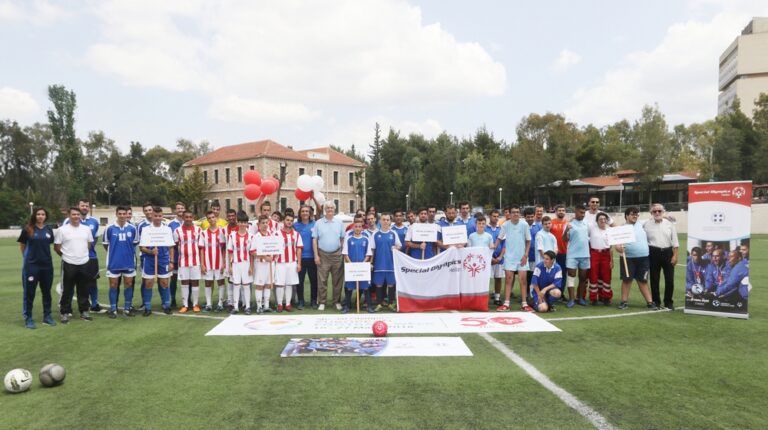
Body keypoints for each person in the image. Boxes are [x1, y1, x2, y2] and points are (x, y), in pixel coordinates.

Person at [54, 207, 95, 323]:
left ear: (80, 216)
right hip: (68, 263)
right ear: (69, 215)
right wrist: (67, 256)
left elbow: (89, 244)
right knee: (67, 290)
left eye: (78, 214)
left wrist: (81, 255)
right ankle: (65, 312)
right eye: (73, 214)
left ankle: (84, 311)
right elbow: (57, 247)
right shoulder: (62, 230)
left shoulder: (86, 229)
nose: (76, 216)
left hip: (84, 263)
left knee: (83, 289)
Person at [19, 207, 56, 328]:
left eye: (43, 214)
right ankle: (28, 318)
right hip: (31, 267)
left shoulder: (49, 230)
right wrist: (28, 260)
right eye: (38, 214)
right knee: (29, 293)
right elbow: (23, 246)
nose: (40, 216)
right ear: (35, 215)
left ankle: (47, 316)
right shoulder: (28, 229)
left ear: (46, 216)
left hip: (47, 266)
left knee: (47, 292)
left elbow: (48, 245)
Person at [614, 207, 657, 310]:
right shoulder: (622, 228)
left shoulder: (642, 224)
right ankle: (624, 302)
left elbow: (655, 217)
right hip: (628, 258)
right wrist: (618, 248)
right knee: (627, 280)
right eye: (633, 214)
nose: (635, 216)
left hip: (643, 258)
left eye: (637, 214)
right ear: (627, 216)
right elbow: (617, 244)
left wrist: (665, 215)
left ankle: (650, 303)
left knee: (643, 280)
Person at [63, 199, 102, 312]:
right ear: (78, 206)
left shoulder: (94, 221)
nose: (84, 207)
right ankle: (67, 307)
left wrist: (87, 249)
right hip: (73, 258)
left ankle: (94, 304)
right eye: (82, 205)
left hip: (91, 257)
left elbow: (94, 237)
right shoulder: (67, 221)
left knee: (93, 281)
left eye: (86, 206)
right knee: (70, 283)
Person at [102, 206, 139, 318]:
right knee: (113, 285)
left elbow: (134, 243)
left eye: (124, 214)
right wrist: (114, 253)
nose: (122, 216)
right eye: (120, 214)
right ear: (116, 214)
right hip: (114, 262)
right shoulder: (109, 228)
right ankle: (113, 309)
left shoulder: (132, 228)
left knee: (128, 284)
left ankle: (127, 309)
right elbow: (105, 244)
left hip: (128, 262)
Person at [495, 205, 532, 312]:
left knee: (523, 280)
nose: (516, 214)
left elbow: (528, 241)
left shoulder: (524, 225)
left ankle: (524, 304)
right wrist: (493, 247)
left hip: (522, 258)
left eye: (517, 212)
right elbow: (499, 238)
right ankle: (506, 304)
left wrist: (525, 255)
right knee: (508, 280)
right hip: (509, 258)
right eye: (513, 212)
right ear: (509, 214)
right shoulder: (505, 225)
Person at [139, 207, 175, 315]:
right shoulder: (146, 229)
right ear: (152, 216)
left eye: (160, 216)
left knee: (164, 283)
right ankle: (147, 307)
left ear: (162, 216)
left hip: (164, 259)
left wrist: (171, 261)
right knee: (149, 283)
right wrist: (151, 251)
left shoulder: (167, 229)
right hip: (149, 259)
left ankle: (166, 305)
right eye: (156, 216)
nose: (158, 218)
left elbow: (171, 247)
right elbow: (142, 247)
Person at [644, 203, 679, 310]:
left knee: (669, 279)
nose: (657, 213)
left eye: (659, 211)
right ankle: (656, 301)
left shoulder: (670, 224)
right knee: (654, 279)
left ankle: (668, 302)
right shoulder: (646, 224)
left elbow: (675, 241)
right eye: (655, 211)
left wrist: (675, 256)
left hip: (668, 252)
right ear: (651, 213)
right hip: (653, 252)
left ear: (663, 212)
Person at [312, 201, 345, 312]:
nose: (330, 209)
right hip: (323, 255)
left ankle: (336, 302)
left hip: (337, 255)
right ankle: (322, 302)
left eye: (332, 207)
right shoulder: (318, 223)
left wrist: (342, 252)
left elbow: (342, 239)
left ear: (334, 209)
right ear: (325, 209)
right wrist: (316, 255)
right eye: (328, 207)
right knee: (322, 280)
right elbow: (315, 240)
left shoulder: (339, 223)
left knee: (337, 281)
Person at [371, 213, 402, 312]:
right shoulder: (375, 234)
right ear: (380, 221)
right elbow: (372, 250)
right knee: (378, 285)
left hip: (391, 265)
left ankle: (390, 304)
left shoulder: (393, 233)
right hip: (379, 264)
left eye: (387, 220)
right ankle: (379, 303)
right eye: (383, 219)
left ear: (390, 221)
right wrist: (371, 263)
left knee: (391, 284)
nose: (385, 222)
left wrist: (396, 247)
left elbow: (399, 246)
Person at [342, 217, 373, 313]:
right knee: (349, 287)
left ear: (362, 228)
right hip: (351, 267)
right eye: (356, 226)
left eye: (360, 227)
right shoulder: (349, 239)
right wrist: (350, 264)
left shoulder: (366, 239)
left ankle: (369, 306)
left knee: (365, 287)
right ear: (353, 227)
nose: (358, 228)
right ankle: (347, 306)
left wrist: (363, 264)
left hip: (362, 267)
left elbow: (368, 254)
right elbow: (345, 253)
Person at [175, 210, 203, 313]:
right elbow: (175, 245)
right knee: (184, 282)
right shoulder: (177, 231)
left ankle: (195, 304)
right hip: (182, 262)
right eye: (186, 217)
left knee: (195, 282)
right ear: (183, 218)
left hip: (195, 261)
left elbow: (201, 247)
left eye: (190, 217)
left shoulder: (198, 230)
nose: (188, 219)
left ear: (193, 217)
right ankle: (185, 305)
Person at [274, 212, 303, 312]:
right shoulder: (276, 233)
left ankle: (288, 304)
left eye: (291, 221)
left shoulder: (296, 234)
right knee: (280, 284)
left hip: (292, 262)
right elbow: (272, 248)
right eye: (287, 220)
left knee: (290, 284)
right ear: (283, 221)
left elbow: (299, 249)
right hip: (280, 262)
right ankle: (279, 304)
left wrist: (299, 263)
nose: (289, 222)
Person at [199, 210, 227, 312]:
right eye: (209, 218)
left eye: (213, 217)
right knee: (208, 283)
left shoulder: (222, 231)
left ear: (216, 218)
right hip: (207, 262)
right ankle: (209, 304)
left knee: (220, 282)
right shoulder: (203, 233)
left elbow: (224, 249)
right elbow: (201, 249)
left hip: (219, 262)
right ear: (207, 220)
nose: (211, 219)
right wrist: (202, 264)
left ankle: (220, 303)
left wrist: (224, 263)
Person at [563, 206, 590, 307]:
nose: (582, 215)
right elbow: (564, 239)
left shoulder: (586, 224)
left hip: (585, 255)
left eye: (584, 213)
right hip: (572, 255)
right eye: (581, 212)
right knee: (571, 276)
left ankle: (581, 298)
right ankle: (571, 299)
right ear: (576, 212)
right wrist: (566, 230)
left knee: (583, 277)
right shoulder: (569, 224)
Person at [227, 211, 254, 314]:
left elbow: (252, 253)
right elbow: (230, 252)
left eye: (244, 222)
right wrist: (230, 265)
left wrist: (251, 267)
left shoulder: (251, 236)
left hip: (246, 264)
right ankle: (236, 307)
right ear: (237, 222)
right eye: (240, 222)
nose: (242, 224)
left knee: (246, 285)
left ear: (247, 223)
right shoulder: (232, 236)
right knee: (236, 285)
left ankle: (247, 306)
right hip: (236, 264)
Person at [253, 215, 277, 313]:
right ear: (258, 224)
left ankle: (266, 305)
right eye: (263, 223)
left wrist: (272, 257)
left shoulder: (272, 235)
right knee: (259, 285)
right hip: (260, 264)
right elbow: (253, 252)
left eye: (266, 222)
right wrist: (264, 257)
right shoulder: (256, 237)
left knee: (268, 284)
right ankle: (259, 306)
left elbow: (276, 248)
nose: (265, 225)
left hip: (270, 264)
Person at [295, 205, 318, 309]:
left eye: (307, 211)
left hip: (313, 257)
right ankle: (301, 301)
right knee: (300, 281)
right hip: (300, 258)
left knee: (314, 281)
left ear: (310, 213)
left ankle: (314, 301)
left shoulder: (315, 224)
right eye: (303, 211)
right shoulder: (296, 225)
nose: (305, 213)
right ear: (300, 213)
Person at [588, 212, 613, 305]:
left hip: (606, 254)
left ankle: (606, 297)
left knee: (606, 276)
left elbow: (611, 247)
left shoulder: (610, 230)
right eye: (600, 219)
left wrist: (612, 260)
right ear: (597, 221)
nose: (602, 221)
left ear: (606, 220)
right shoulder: (592, 228)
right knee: (593, 275)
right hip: (594, 253)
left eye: (604, 219)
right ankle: (593, 297)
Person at [167, 201, 185, 308]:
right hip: (175, 255)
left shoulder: (189, 222)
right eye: (178, 208)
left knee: (187, 280)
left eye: (182, 208)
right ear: (175, 210)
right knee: (173, 278)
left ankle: (187, 300)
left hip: (187, 257)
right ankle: (172, 299)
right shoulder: (171, 224)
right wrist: (171, 259)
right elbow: (170, 243)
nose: (180, 210)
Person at [486, 210, 506, 306]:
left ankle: (497, 297)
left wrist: (500, 257)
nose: (496, 218)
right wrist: (489, 258)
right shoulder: (485, 228)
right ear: (489, 216)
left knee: (498, 278)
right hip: (487, 259)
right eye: (494, 216)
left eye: (497, 216)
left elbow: (505, 245)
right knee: (486, 279)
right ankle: (485, 297)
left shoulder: (501, 229)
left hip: (499, 258)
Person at [549, 204, 569, 278]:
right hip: (553, 252)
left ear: (565, 212)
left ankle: (561, 289)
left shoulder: (568, 223)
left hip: (565, 252)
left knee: (563, 273)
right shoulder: (551, 223)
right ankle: (552, 289)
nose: (561, 212)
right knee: (552, 273)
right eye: (559, 210)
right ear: (556, 212)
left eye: (563, 210)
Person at [524, 207, 541, 288]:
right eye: (528, 217)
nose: (530, 218)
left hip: (535, 256)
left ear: (534, 216)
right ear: (524, 217)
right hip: (524, 256)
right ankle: (526, 294)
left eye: (531, 216)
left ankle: (533, 294)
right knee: (525, 276)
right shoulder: (522, 226)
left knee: (534, 276)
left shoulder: (539, 226)